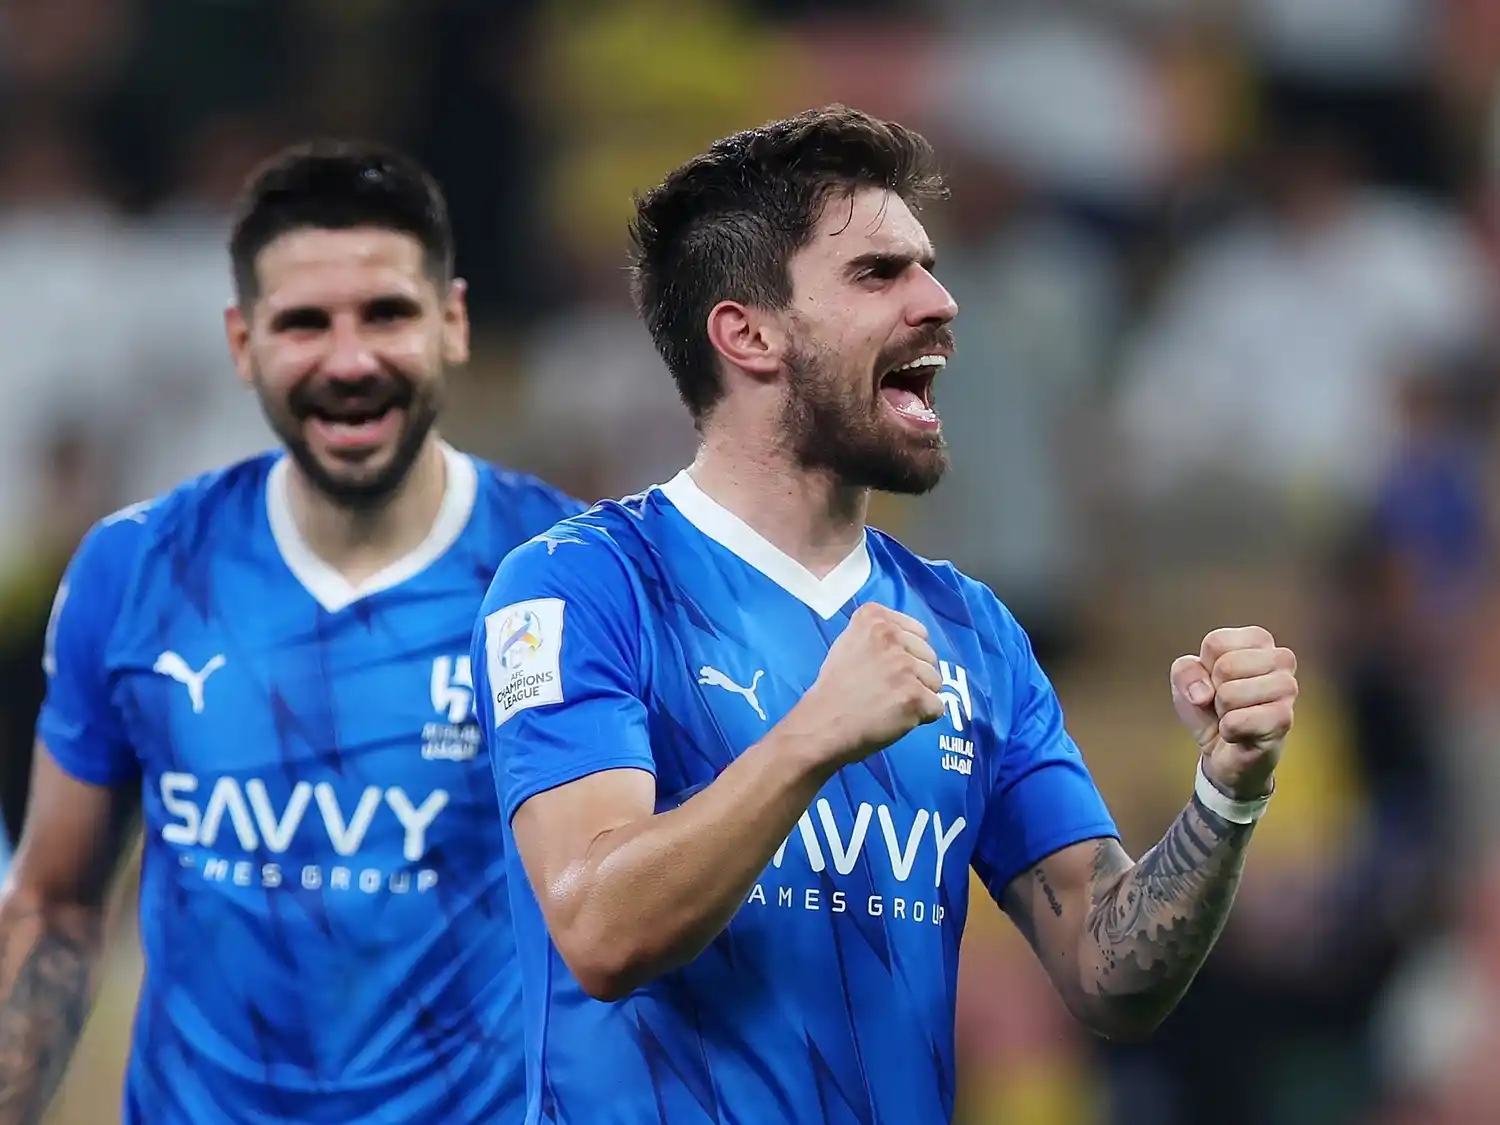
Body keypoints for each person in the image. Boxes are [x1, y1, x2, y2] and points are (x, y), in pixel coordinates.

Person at [472, 105, 1300, 1124]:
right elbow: (600, 932)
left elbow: (1109, 972)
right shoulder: (582, 585)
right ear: (748, 332)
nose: (941, 301)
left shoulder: (972, 633)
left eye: (929, 266)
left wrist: (1227, 795)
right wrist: (812, 737)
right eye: (880, 274)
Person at [0, 140, 583, 1125]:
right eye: (304, 323)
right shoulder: (135, 569)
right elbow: (56, 905)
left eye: (387, 315)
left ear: (454, 323)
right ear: (243, 342)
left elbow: (635, 925)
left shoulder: (562, 576)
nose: (348, 361)